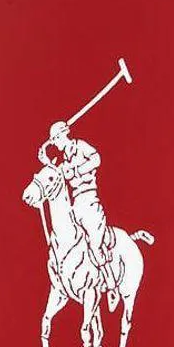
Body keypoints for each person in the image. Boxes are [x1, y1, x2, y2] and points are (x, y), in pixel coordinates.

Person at [38, 120, 117, 296]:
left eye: (56, 139)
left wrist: (76, 171)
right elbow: (55, 176)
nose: (55, 143)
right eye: (53, 141)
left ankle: (110, 283)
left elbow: (97, 159)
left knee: (95, 244)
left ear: (63, 135)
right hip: (75, 205)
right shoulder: (62, 161)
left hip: (89, 201)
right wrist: (46, 162)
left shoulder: (80, 146)